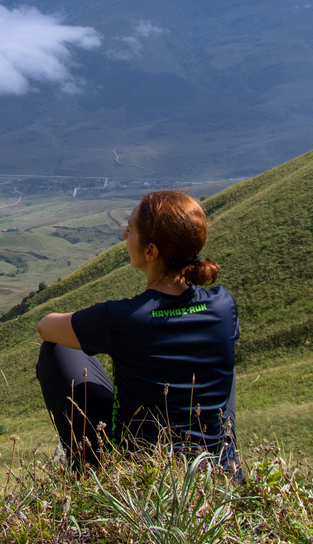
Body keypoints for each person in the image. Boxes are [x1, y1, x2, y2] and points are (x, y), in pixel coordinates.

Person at [35, 190, 240, 472]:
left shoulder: (124, 318)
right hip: (217, 474)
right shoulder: (223, 304)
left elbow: (45, 327)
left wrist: (96, 329)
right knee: (215, 359)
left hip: (144, 476)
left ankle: (91, 468)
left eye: (130, 230)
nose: (123, 235)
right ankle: (219, 460)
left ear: (151, 251)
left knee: (56, 348)